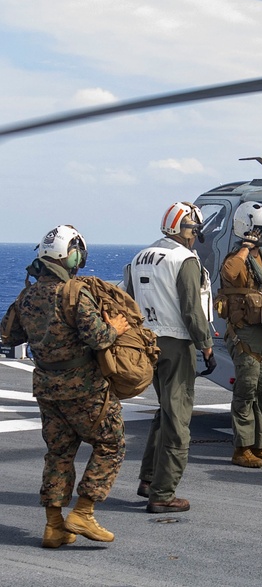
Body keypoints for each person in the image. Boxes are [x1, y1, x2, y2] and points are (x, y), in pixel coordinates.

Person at [0, 225, 129, 546]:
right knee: (111, 444)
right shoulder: (73, 293)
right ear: (68, 254)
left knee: (58, 453)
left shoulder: (27, 294)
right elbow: (98, 338)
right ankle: (83, 512)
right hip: (84, 387)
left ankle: (54, 525)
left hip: (47, 387)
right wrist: (114, 326)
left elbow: (10, 335)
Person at [126, 202, 214, 513]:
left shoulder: (140, 258)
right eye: (194, 229)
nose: (195, 236)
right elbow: (192, 309)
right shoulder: (184, 259)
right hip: (177, 343)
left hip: (147, 342)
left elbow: (129, 303)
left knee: (164, 410)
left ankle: (149, 478)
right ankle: (163, 494)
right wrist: (205, 344)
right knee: (178, 417)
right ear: (185, 230)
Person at [219, 202, 262, 468]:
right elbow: (230, 274)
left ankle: (258, 445)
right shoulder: (236, 259)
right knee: (246, 391)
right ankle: (241, 448)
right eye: (259, 230)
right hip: (245, 334)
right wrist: (245, 247)